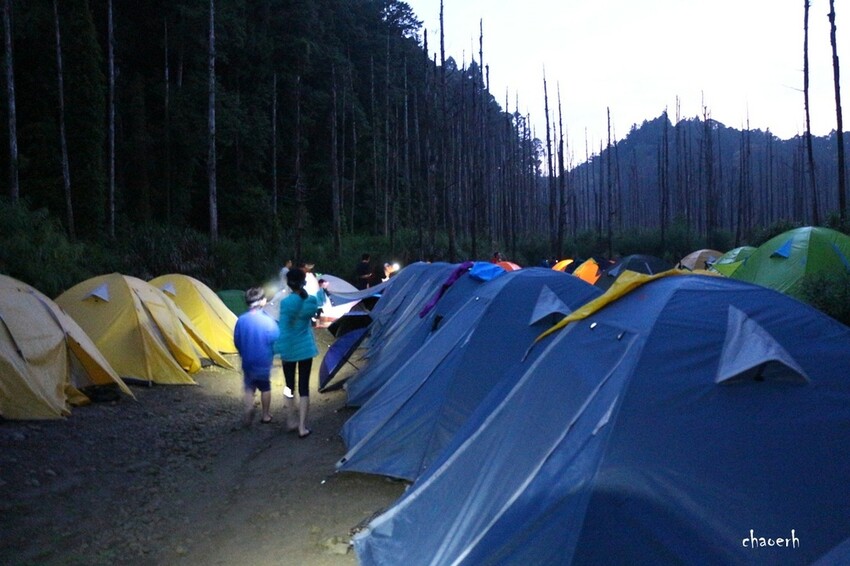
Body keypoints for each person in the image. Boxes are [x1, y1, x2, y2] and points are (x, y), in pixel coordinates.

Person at [274, 268, 324, 438]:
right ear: (303, 282)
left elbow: (283, 327)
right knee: (304, 387)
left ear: (288, 283)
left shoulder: (285, 302)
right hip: (305, 349)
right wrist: (320, 287)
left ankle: (290, 419)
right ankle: (302, 427)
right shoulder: (310, 301)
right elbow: (319, 301)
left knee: (289, 386)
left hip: (288, 348)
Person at [233, 287, 280, 426]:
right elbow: (275, 339)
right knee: (265, 387)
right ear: (263, 301)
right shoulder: (268, 321)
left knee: (249, 387)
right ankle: (265, 415)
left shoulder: (241, 320)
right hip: (263, 360)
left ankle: (248, 409)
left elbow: (237, 340)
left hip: (247, 359)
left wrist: (242, 352)